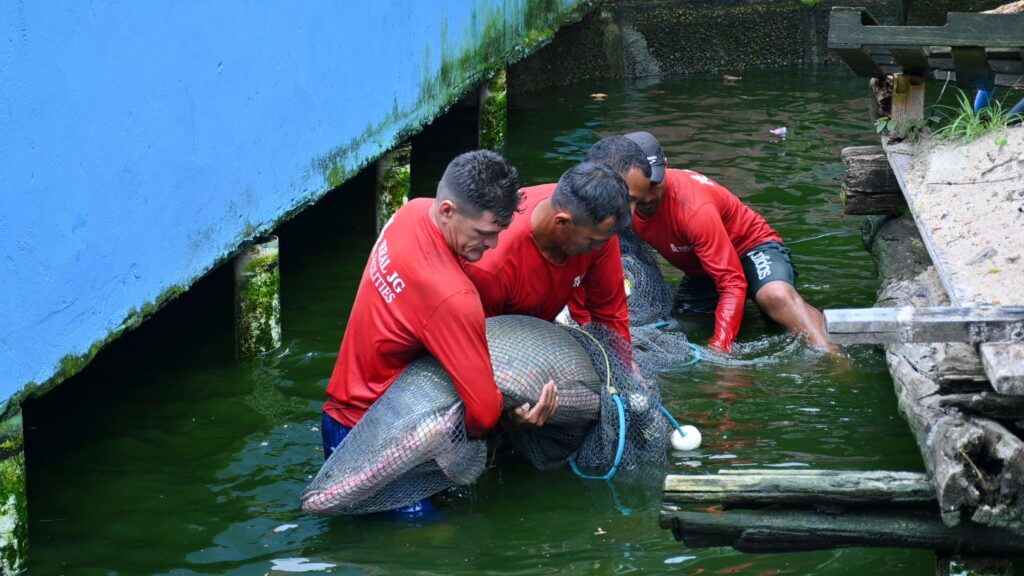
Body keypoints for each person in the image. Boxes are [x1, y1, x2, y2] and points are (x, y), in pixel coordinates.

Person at [320, 150, 559, 512]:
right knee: (431, 539)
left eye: (499, 233)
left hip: (339, 419)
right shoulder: (453, 297)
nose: (493, 245)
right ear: (448, 210)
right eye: (483, 233)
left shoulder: (411, 212)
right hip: (381, 441)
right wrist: (510, 420)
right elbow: (483, 414)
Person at [586, 132, 836, 354]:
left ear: (666, 168)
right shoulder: (618, 206)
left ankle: (833, 355)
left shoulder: (693, 208)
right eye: (638, 191)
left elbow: (732, 281)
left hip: (751, 249)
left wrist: (721, 348)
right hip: (703, 271)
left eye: (655, 185)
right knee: (686, 327)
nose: (647, 197)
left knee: (775, 296)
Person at [462, 161, 633, 345]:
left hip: (543, 324)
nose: (599, 248)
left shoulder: (598, 228)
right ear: (562, 222)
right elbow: (476, 343)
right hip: (496, 337)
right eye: (593, 242)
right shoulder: (492, 265)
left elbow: (610, 314)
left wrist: (623, 361)